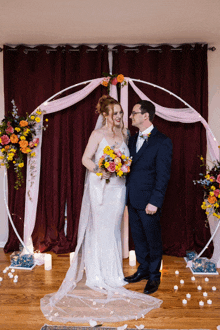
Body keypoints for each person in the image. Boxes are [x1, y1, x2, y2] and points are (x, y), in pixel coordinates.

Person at [40, 96, 162, 324]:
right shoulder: (97, 135)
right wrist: (100, 169)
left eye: (121, 113)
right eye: (115, 113)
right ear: (105, 115)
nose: (119, 117)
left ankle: (113, 273)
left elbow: (129, 162)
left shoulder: (125, 134)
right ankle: (97, 273)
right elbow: (85, 159)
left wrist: (121, 168)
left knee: (113, 228)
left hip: (118, 189)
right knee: (99, 228)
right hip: (100, 187)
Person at [124, 100, 173, 294]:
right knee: (138, 239)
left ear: (145, 116)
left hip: (149, 202)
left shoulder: (163, 141)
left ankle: (154, 276)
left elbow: (163, 175)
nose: (130, 116)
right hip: (132, 199)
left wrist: (155, 201)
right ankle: (143, 270)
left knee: (153, 240)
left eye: (134, 113)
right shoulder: (131, 139)